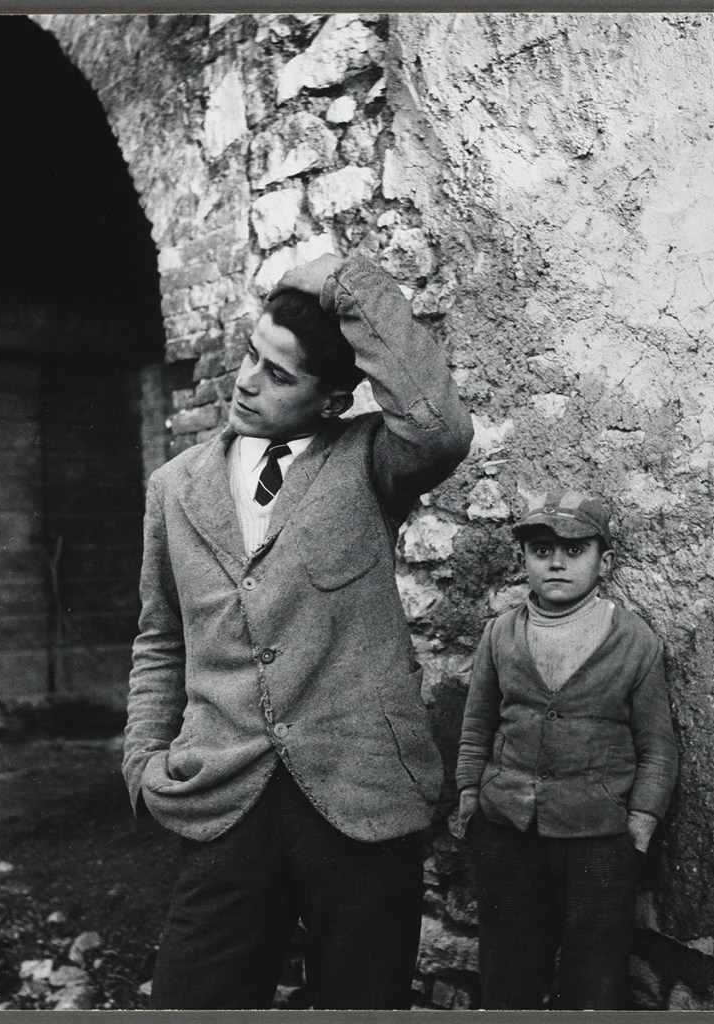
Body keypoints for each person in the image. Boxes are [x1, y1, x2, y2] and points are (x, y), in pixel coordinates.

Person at [123, 252, 474, 1009]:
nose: (249, 381)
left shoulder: (370, 462)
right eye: (253, 355)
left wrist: (347, 281)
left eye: (280, 376)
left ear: (331, 401)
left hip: (360, 797)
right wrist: (143, 763)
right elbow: (159, 639)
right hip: (224, 801)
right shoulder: (174, 487)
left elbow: (440, 426)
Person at [455, 488, 678, 1009]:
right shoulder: (501, 634)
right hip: (508, 828)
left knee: (595, 973)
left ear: (605, 561)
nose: (556, 563)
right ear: (525, 559)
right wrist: (470, 795)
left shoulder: (633, 640)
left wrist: (639, 825)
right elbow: (477, 724)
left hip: (598, 837)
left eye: (575, 551)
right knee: (508, 970)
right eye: (541, 550)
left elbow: (657, 746)